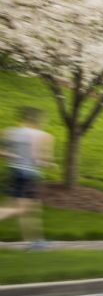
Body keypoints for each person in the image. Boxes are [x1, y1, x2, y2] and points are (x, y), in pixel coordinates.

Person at [1, 107, 54, 249]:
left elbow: (2, 153)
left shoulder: (11, 132)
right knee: (19, 209)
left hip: (15, 172)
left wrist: (12, 156)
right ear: (38, 120)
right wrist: (49, 163)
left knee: (30, 209)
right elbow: (41, 159)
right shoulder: (43, 136)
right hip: (29, 174)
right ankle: (36, 242)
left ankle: (35, 242)